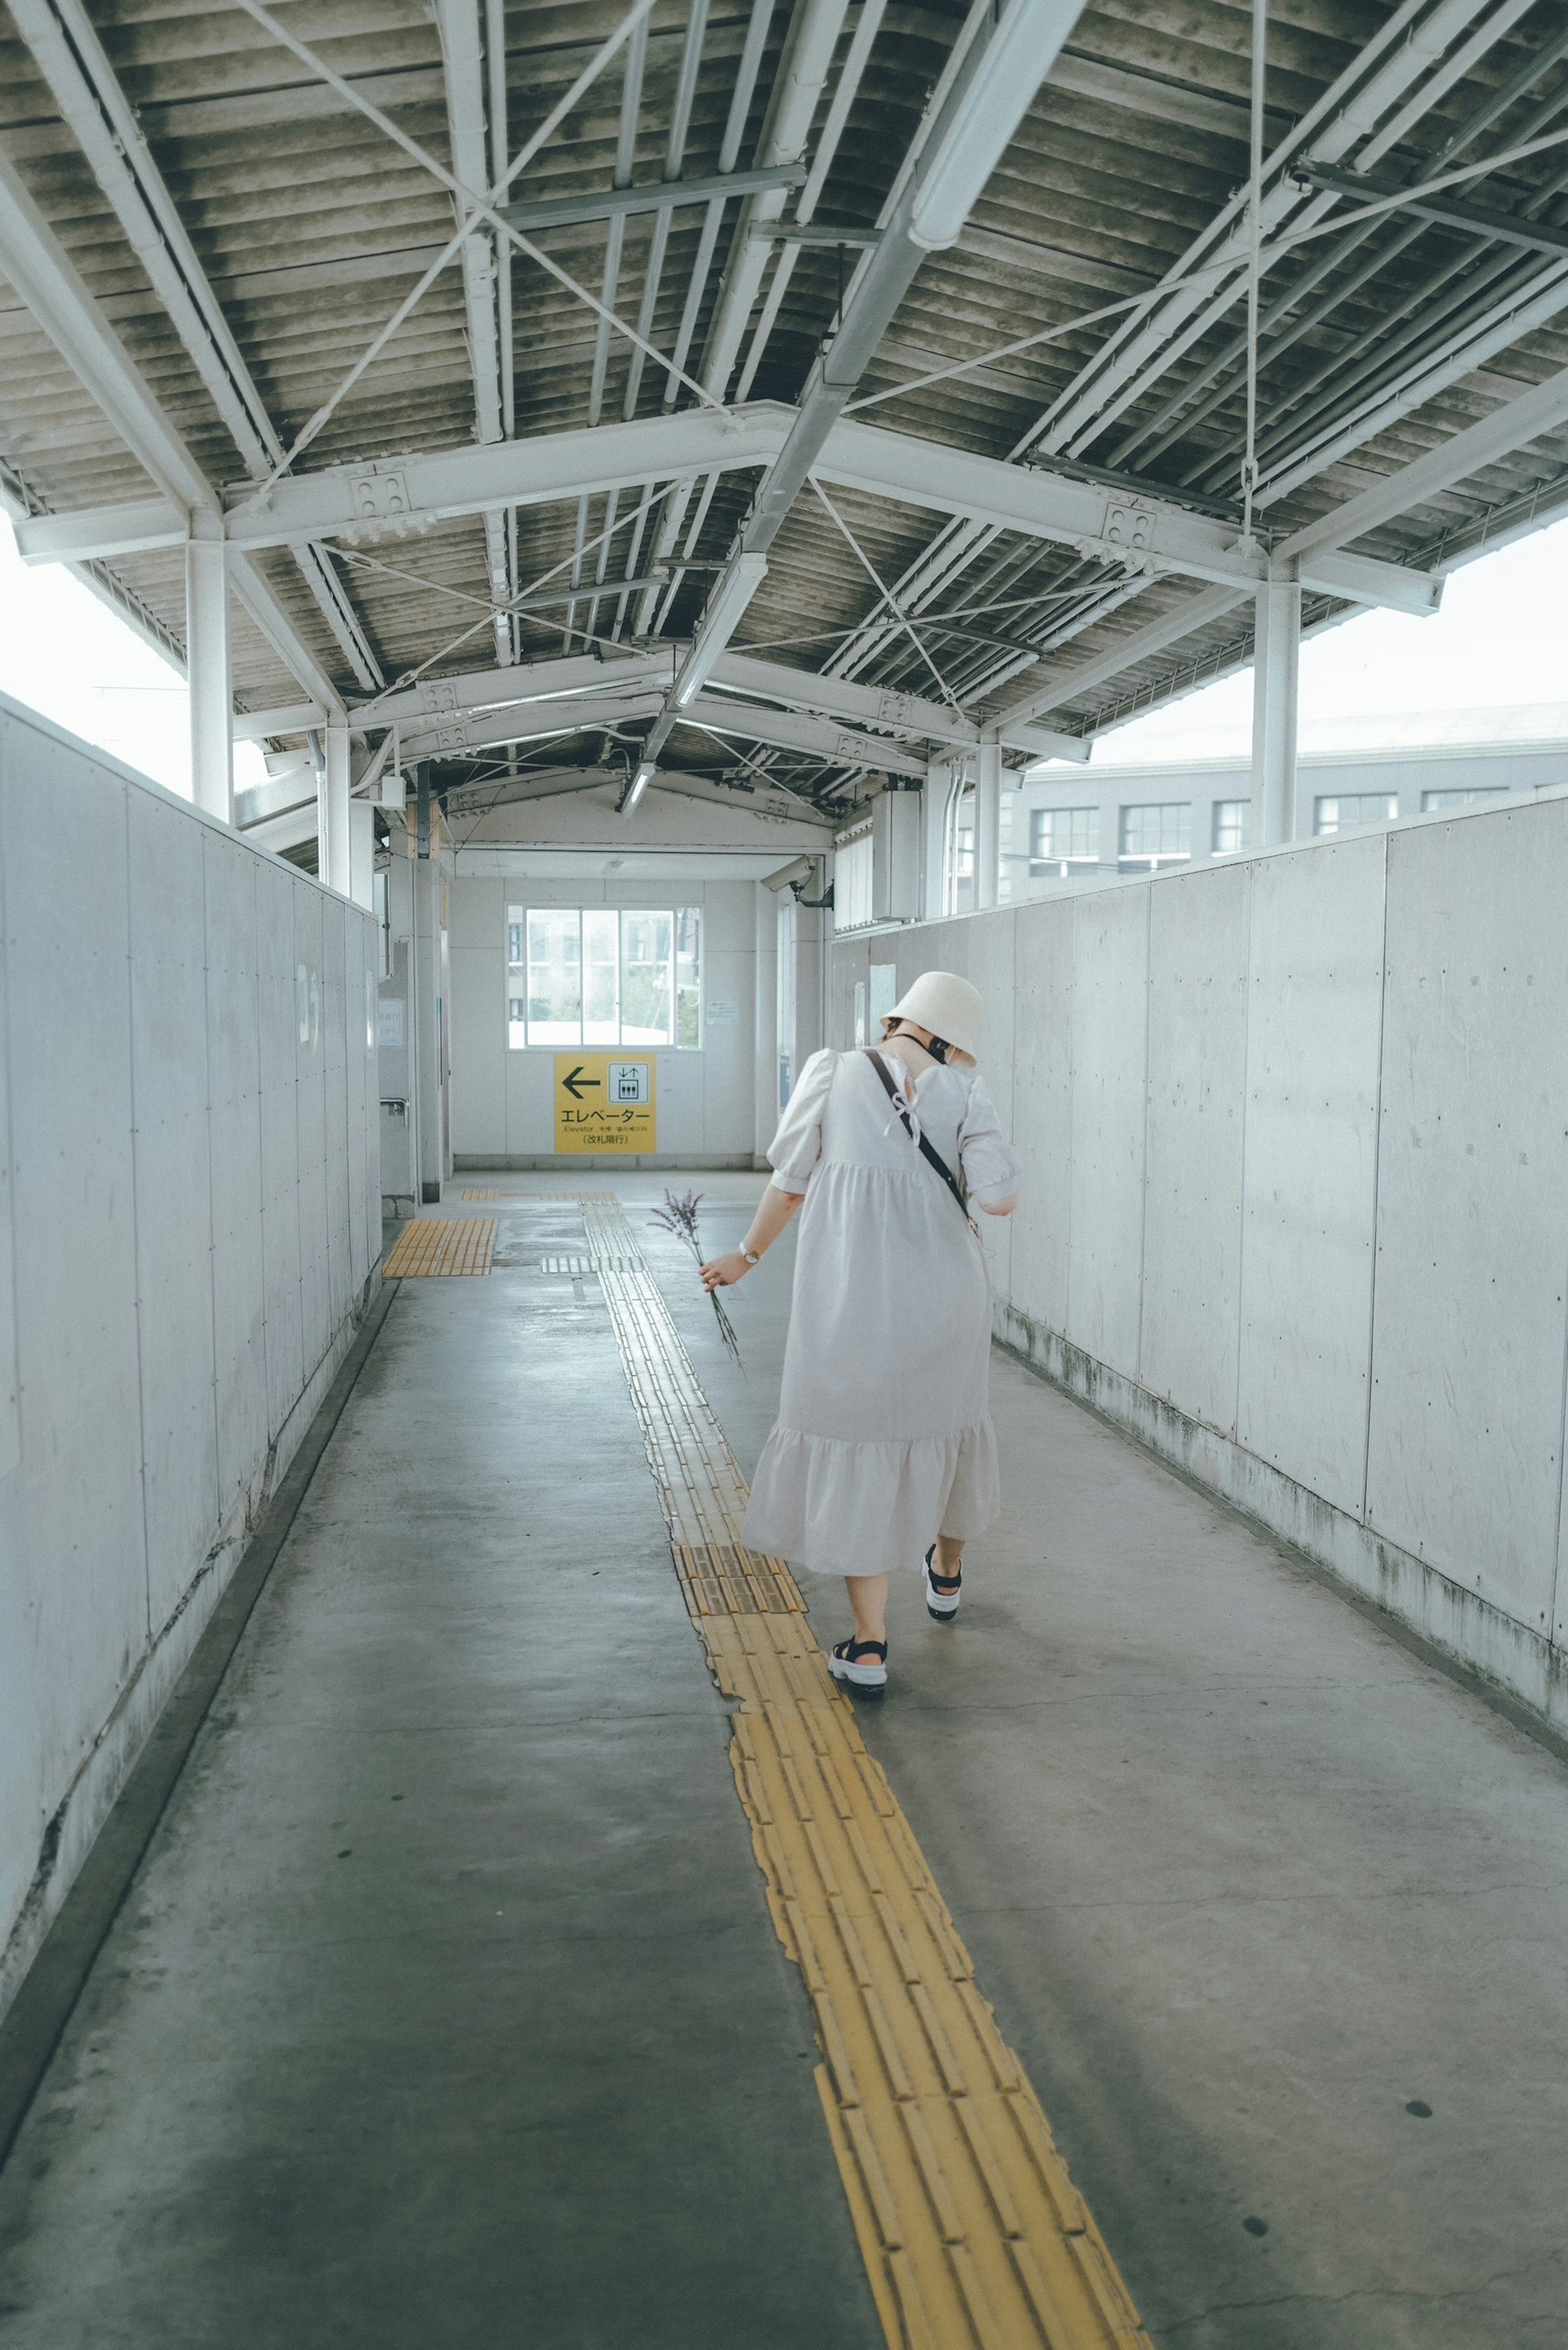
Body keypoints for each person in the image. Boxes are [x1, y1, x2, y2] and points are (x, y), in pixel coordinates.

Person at [700, 971, 1019, 1700]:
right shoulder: (969, 1093)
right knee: (950, 1427)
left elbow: (789, 1183)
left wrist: (744, 1258)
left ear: (897, 1023)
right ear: (951, 1043)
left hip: (850, 1302)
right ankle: (946, 1573)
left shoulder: (831, 1072)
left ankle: (870, 1646)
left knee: (858, 1449)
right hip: (947, 1301)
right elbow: (1000, 1202)